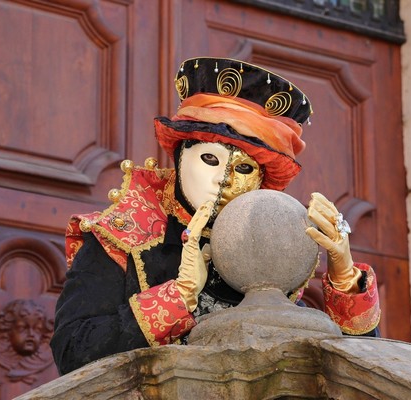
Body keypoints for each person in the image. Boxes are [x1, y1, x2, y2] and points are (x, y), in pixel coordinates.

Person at [50, 57, 380, 375]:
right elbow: (73, 351)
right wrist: (177, 297)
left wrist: (345, 278)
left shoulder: (270, 247)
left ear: (261, 181)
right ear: (181, 155)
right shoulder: (122, 237)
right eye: (210, 158)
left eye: (244, 168)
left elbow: (355, 372)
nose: (222, 180)